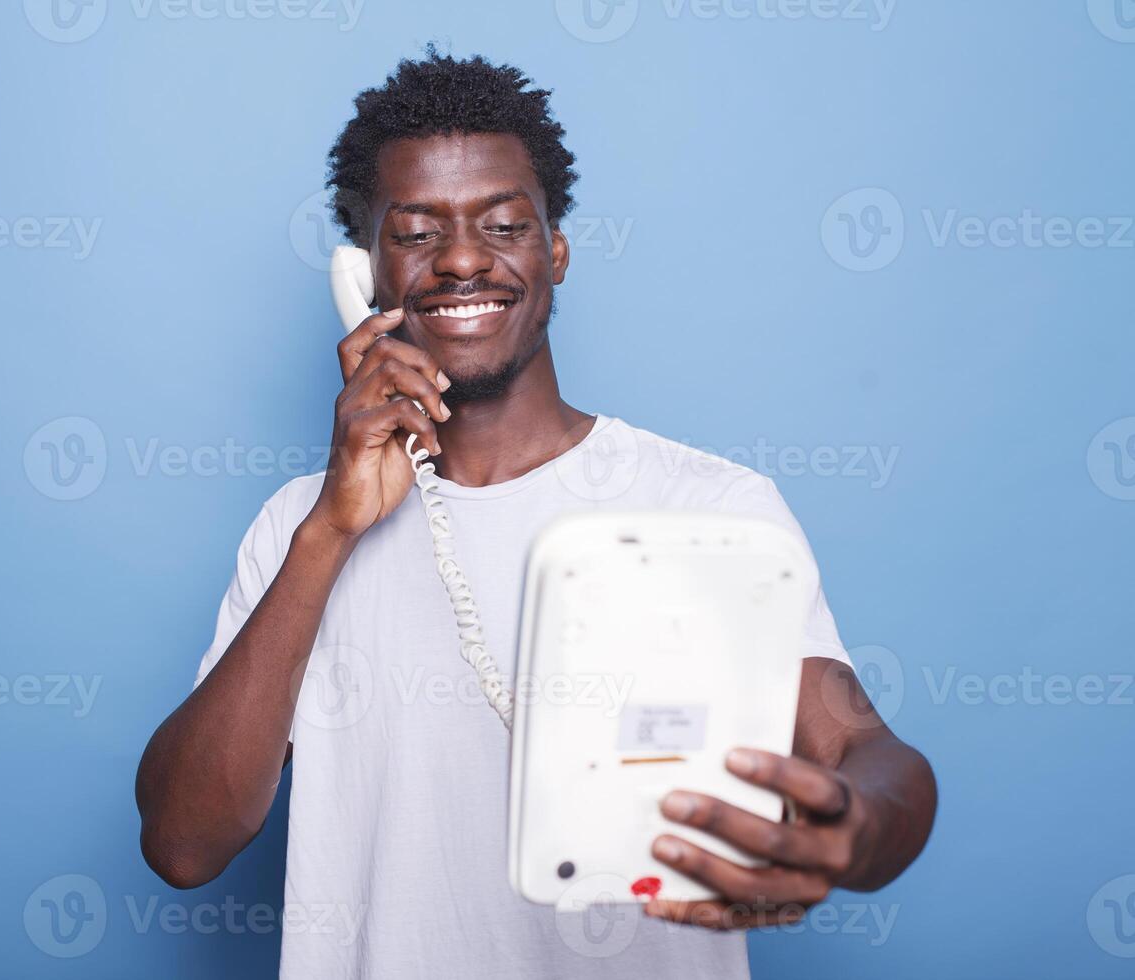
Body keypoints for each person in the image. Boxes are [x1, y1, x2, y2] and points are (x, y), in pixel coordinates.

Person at [136, 49, 936, 979]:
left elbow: (862, 748)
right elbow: (182, 845)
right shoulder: (297, 529)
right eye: (418, 232)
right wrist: (330, 532)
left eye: (505, 224)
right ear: (363, 273)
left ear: (554, 251)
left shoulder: (709, 504)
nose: (465, 258)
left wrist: (857, 828)